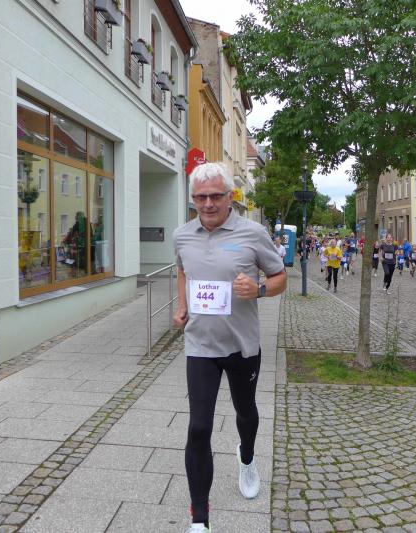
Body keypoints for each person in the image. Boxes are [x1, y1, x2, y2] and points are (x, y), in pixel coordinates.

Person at [173, 163, 287, 533]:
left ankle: (247, 457)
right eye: (200, 197)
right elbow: (183, 270)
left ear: (230, 196)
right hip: (200, 345)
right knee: (198, 427)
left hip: (242, 345)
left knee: (246, 413)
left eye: (215, 196)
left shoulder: (253, 233)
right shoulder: (182, 235)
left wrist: (260, 289)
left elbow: (280, 276)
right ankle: (200, 519)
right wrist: (182, 305)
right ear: (193, 199)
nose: (207, 204)